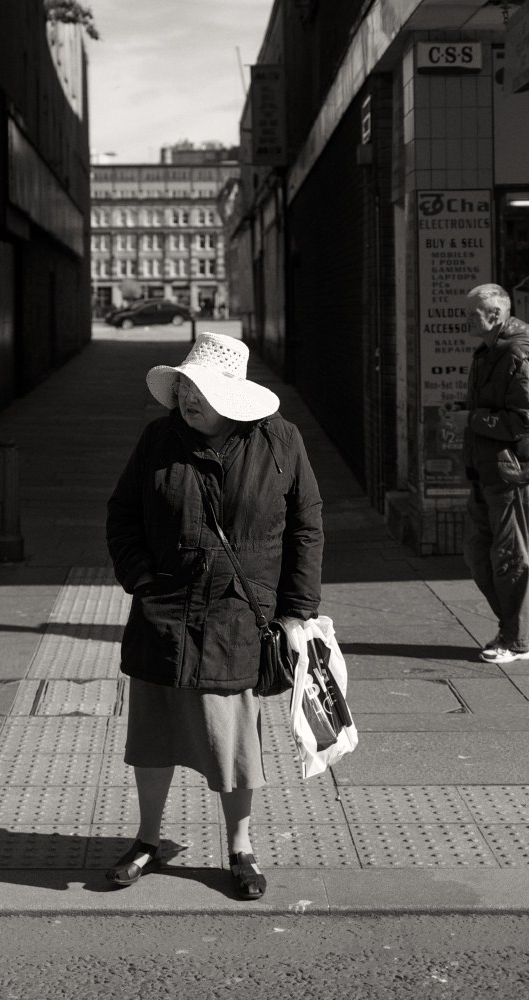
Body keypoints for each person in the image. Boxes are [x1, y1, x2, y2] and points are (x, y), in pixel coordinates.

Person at [105, 332, 323, 898]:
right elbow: (123, 513)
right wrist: (141, 578)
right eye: (182, 387)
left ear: (230, 395)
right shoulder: (158, 439)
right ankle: (148, 840)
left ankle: (240, 848)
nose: (186, 398)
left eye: (197, 390)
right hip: (164, 609)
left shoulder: (279, 440)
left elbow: (306, 526)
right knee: (152, 734)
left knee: (232, 741)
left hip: (236, 614)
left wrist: (297, 611)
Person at [462, 283, 529, 664]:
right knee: (477, 552)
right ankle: (520, 623)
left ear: (496, 314)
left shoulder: (517, 355)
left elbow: (523, 421)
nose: (466, 319)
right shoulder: (489, 351)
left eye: (472, 313)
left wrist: (471, 419)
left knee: (509, 557)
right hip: (488, 469)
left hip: (511, 471)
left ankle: (518, 641)